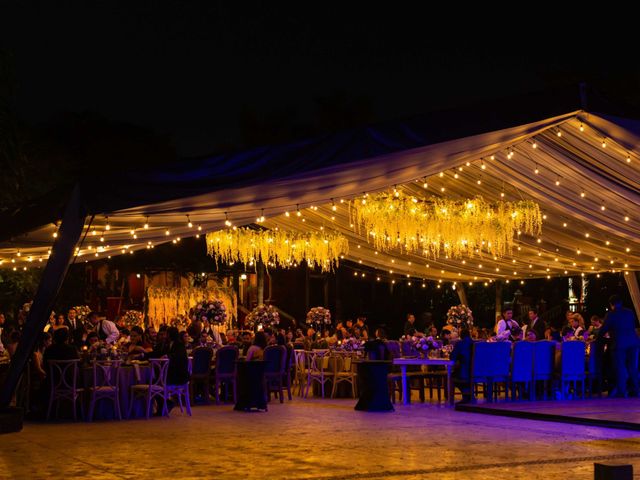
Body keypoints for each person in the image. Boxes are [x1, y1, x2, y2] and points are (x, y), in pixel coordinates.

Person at [598, 294, 640, 398]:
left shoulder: (611, 314)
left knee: (620, 367)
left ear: (611, 304)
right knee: (633, 367)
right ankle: (636, 390)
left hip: (619, 344)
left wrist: (598, 338)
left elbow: (604, 329)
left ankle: (621, 391)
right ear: (621, 302)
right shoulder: (629, 312)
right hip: (634, 343)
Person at [450, 328, 473, 404]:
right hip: (476, 371)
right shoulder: (475, 343)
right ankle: (469, 394)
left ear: (461, 335)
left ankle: (466, 395)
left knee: (453, 376)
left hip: (465, 371)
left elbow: (452, 357)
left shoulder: (460, 343)